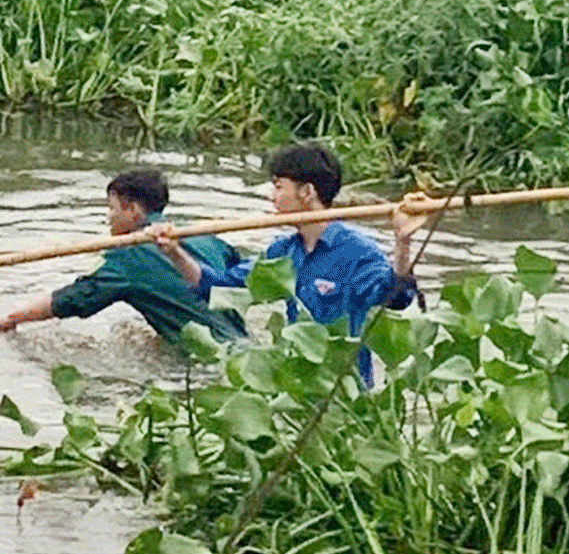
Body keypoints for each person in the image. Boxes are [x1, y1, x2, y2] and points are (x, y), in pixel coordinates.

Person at [149, 142, 422, 383]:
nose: (272, 196)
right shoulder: (284, 251)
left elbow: (395, 297)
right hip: (297, 387)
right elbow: (217, 286)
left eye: (279, 186)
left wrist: (402, 242)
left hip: (345, 391)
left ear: (307, 192)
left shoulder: (356, 251)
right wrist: (173, 251)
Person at [0, 168, 246, 346]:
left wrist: (11, 319)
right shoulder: (205, 235)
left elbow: (73, 298)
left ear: (132, 210)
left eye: (111, 208)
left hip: (210, 359)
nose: (108, 217)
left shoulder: (126, 257)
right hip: (245, 345)